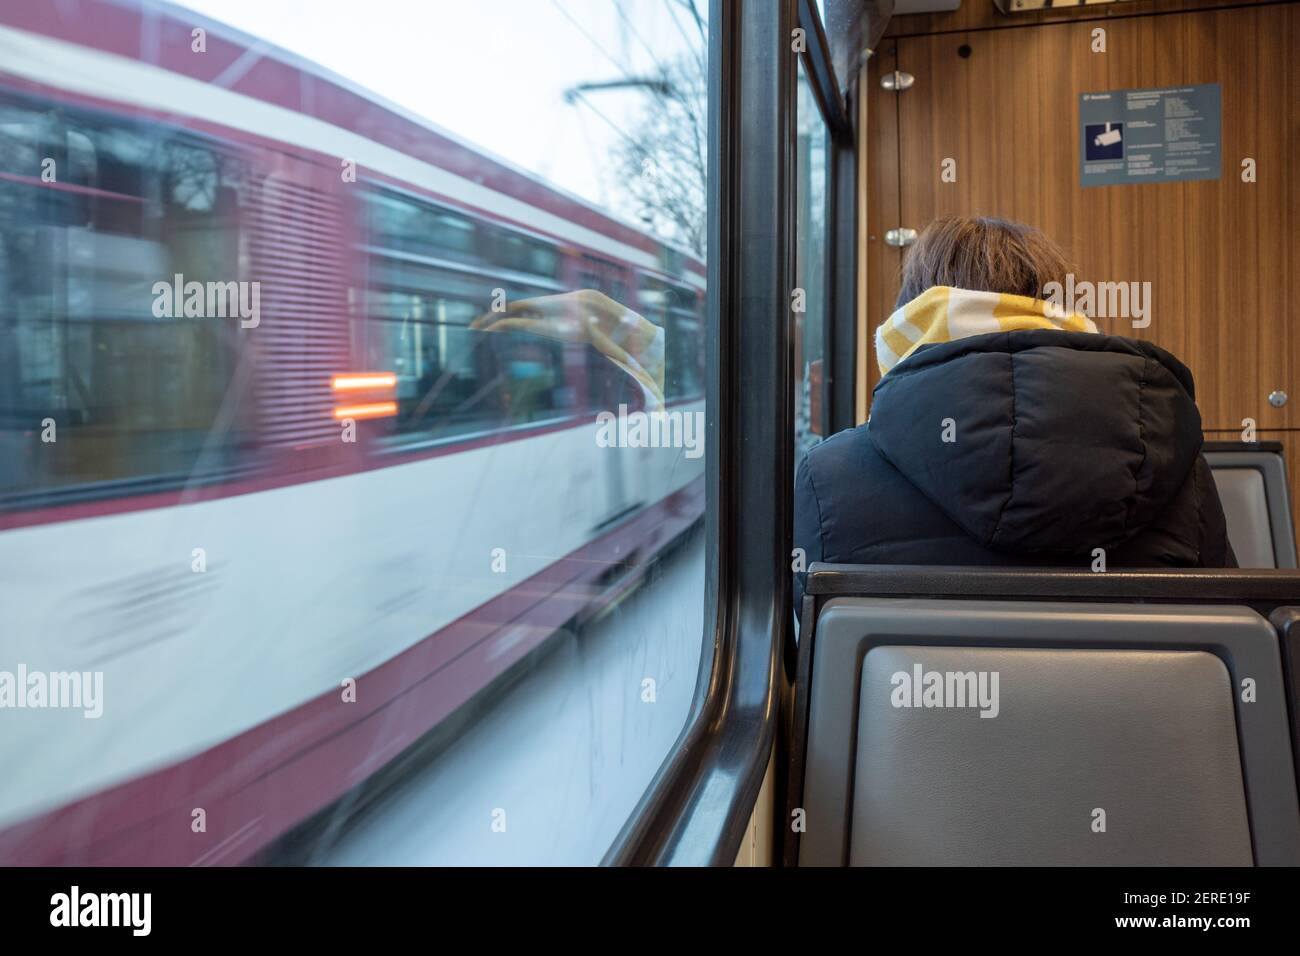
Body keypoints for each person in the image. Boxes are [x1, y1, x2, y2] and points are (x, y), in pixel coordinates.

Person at [794, 215, 1235, 608]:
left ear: (911, 316)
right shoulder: (1179, 466)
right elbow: (1227, 621)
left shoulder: (829, 475)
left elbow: (815, 655)